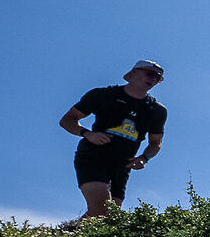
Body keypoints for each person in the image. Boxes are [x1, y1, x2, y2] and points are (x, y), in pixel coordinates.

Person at [60, 61, 168, 223]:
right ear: (134, 72)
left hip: (122, 166)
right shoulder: (104, 95)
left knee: (108, 219)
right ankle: (65, 234)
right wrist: (87, 134)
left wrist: (144, 158)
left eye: (158, 78)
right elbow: (67, 120)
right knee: (102, 209)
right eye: (150, 74)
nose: (153, 79)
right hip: (93, 156)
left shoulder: (157, 110)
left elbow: (155, 143)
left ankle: (67, 234)